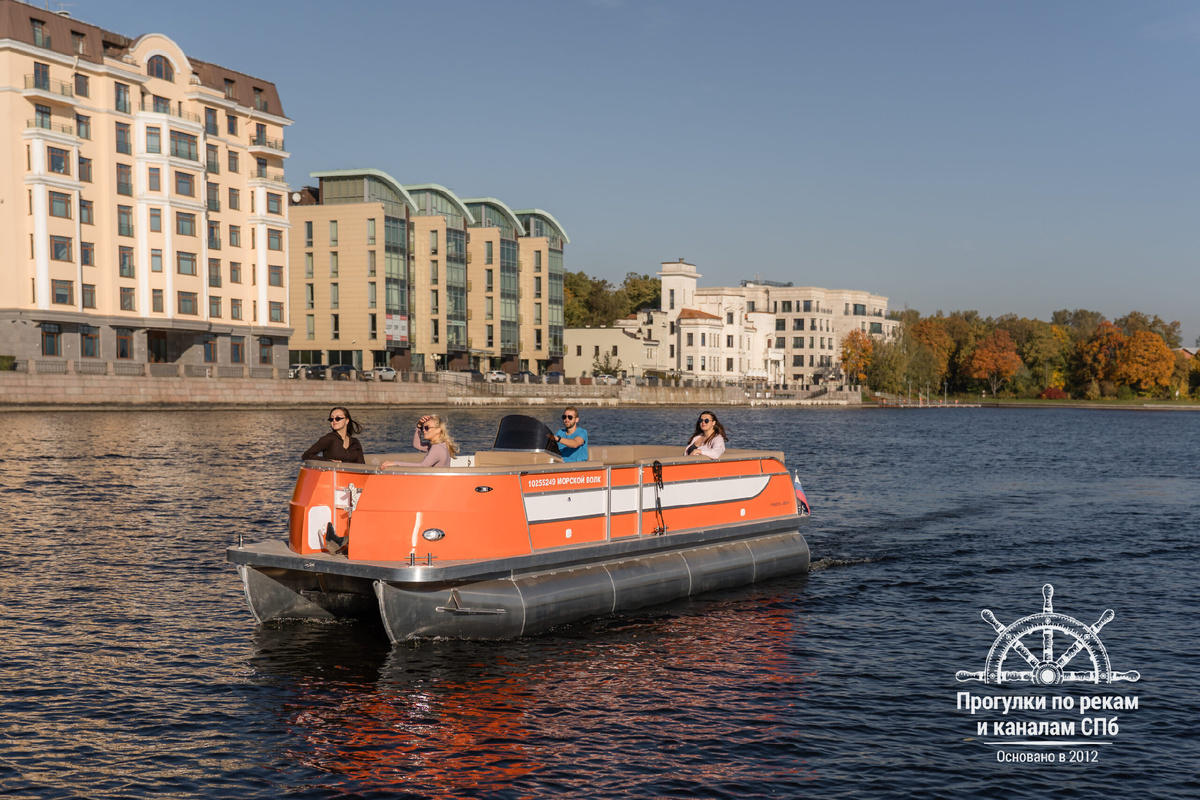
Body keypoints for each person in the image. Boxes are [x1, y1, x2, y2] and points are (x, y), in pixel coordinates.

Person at [381, 414, 458, 468]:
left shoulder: (436, 448)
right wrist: (419, 426)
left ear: (438, 430)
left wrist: (394, 463)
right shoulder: (442, 445)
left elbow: (423, 466)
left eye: (427, 428)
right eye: (423, 428)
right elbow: (417, 445)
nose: (424, 430)